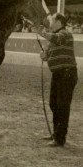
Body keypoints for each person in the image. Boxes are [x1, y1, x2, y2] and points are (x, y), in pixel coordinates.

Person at [36, 13, 78, 147]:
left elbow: (56, 38)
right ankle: (56, 134)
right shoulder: (54, 39)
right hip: (59, 74)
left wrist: (41, 32)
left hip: (67, 74)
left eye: (52, 20)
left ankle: (60, 138)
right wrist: (44, 55)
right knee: (54, 104)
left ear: (59, 22)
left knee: (62, 106)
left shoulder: (65, 33)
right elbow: (48, 54)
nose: (50, 22)